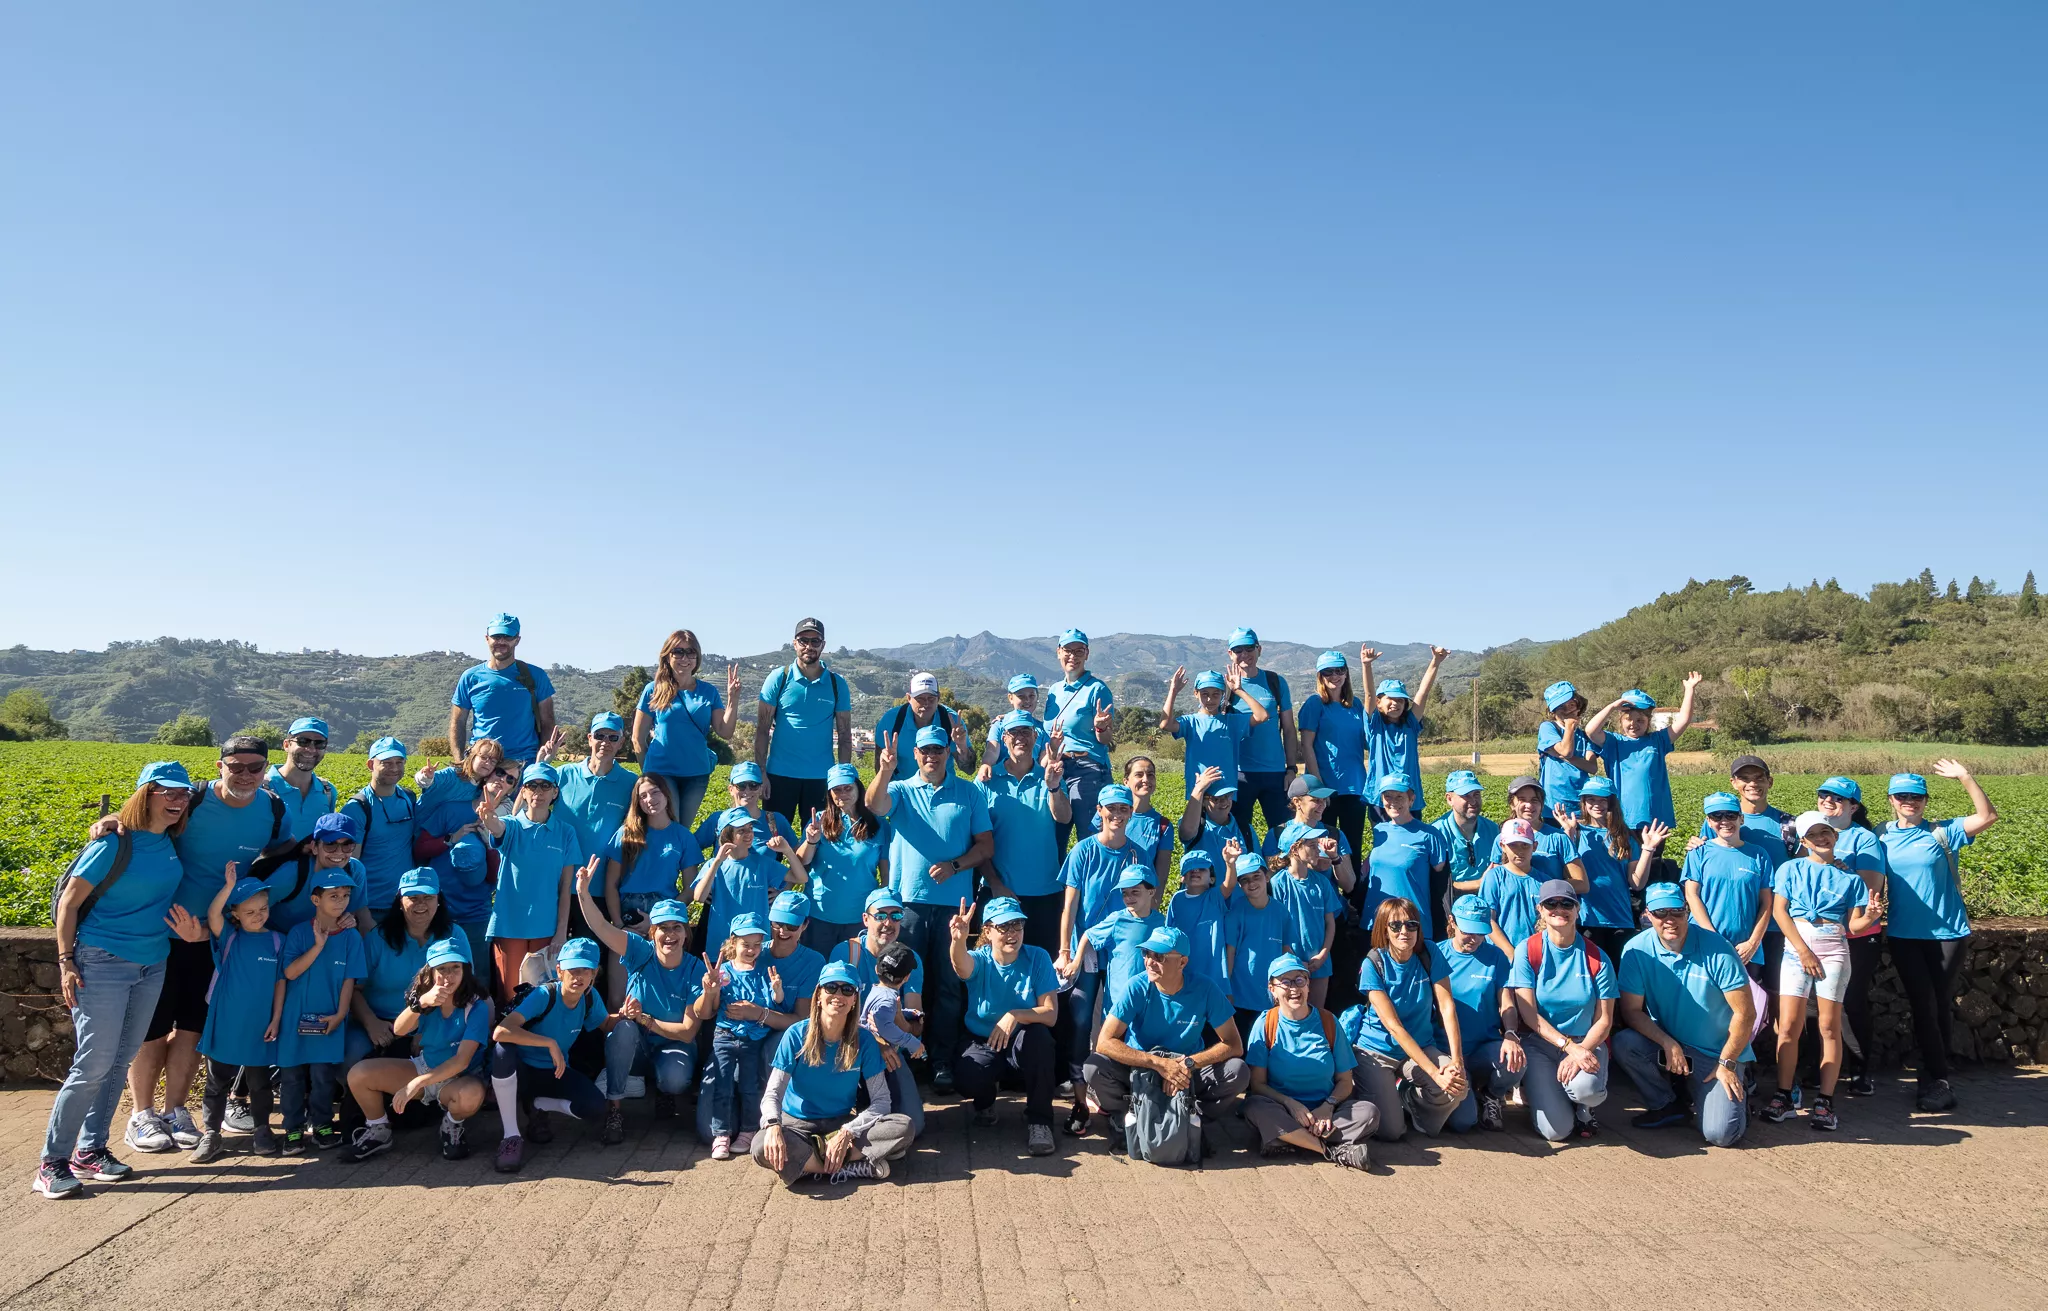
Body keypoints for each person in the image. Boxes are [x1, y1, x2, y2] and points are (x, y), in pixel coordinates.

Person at [84, 736, 287, 1155]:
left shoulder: (271, 808)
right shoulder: (191, 800)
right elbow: (144, 820)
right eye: (237, 766)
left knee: (193, 1029)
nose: (246, 775)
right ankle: (142, 1115)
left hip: (215, 942)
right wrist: (110, 823)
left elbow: (281, 852)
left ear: (267, 769)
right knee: (151, 1030)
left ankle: (176, 1110)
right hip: (162, 933)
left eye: (255, 767)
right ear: (219, 766)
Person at [38, 762, 197, 1198]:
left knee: (118, 1060)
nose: (178, 801)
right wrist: (66, 960)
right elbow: (69, 903)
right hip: (101, 960)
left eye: (183, 795)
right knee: (91, 1064)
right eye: (168, 793)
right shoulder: (113, 844)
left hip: (152, 962)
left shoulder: (169, 841)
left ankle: (90, 1150)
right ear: (146, 793)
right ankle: (52, 1162)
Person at [865, 723, 994, 1092]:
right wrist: (885, 769)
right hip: (907, 906)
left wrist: (955, 865)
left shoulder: (969, 793)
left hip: (955, 908)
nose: (932, 756)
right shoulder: (902, 789)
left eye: (938, 750)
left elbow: (985, 847)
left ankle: (940, 1060)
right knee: (898, 984)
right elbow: (875, 804)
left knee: (950, 987)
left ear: (948, 754)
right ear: (916, 755)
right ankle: (902, 1058)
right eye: (925, 751)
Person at [1879, 763, 1999, 1113]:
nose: (1909, 802)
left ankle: (1936, 1078)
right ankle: (1936, 1077)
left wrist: (1965, 777)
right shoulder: (1880, 835)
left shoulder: (1944, 832)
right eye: (1902, 796)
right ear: (1891, 800)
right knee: (1924, 1004)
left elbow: (1988, 816)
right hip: (1904, 934)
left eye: (1916, 796)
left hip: (1948, 932)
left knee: (1938, 1004)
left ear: (1926, 800)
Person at [1761, 813, 1885, 1130]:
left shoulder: (1852, 879)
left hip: (1833, 948)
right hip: (1796, 949)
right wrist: (1803, 951)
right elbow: (1779, 911)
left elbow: (1853, 924)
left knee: (1829, 1026)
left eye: (1825, 832)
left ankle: (1826, 1103)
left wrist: (1871, 915)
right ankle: (1784, 1096)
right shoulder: (1789, 869)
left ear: (1835, 836)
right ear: (1803, 841)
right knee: (1788, 1025)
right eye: (1813, 834)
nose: (1821, 838)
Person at [1083, 927, 1250, 1156]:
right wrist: (1157, 1064)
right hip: (1141, 1069)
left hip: (1188, 1070)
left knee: (1238, 1071)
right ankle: (1126, 1114)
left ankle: (1193, 1118)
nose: (1150, 962)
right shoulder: (1137, 986)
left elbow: (1234, 1044)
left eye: (1159, 956)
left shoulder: (1205, 988)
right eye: (1146, 954)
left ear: (1182, 962)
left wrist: (1188, 1065)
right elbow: (1104, 1041)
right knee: (1093, 1067)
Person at [1614, 883, 1754, 1147]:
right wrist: (1668, 1043)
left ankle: (1738, 1092)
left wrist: (1727, 1062)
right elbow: (1631, 1012)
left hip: (1717, 1053)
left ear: (1687, 911)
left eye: (1676, 912)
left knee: (1720, 1135)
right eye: (1660, 912)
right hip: (1670, 1043)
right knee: (1625, 1043)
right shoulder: (1636, 949)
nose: (1669, 920)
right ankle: (1667, 1105)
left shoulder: (1718, 948)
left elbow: (1745, 1014)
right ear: (1647, 915)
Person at [751, 962, 914, 1186]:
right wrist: (773, 1126)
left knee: (902, 1126)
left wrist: (847, 1132)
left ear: (855, 999)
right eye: (831, 987)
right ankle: (843, 1168)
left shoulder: (864, 1040)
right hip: (795, 1124)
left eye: (847, 990)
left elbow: (881, 1100)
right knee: (761, 1145)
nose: (839, 994)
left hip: (841, 1122)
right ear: (818, 994)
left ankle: (808, 1166)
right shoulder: (796, 1034)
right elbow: (772, 1094)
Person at [339, 933, 492, 1162]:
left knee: (470, 1095)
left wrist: (417, 1083)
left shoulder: (476, 1007)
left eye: (455, 968)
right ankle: (378, 1130)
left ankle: (451, 1125)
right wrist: (420, 1005)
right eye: (442, 969)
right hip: (424, 1066)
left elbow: (462, 1061)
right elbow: (399, 1030)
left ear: (465, 970)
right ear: (430, 972)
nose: (449, 976)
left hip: (460, 1077)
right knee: (359, 1074)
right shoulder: (424, 999)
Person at [581, 875, 710, 1136]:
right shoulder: (640, 951)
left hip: (674, 1045)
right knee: (624, 1028)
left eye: (677, 927)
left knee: (674, 1079)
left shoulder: (696, 969)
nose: (670, 934)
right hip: (637, 1045)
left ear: (686, 933)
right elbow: (600, 928)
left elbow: (687, 1032)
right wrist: (583, 891)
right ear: (653, 932)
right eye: (663, 927)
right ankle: (614, 1109)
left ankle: (663, 1090)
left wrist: (645, 1019)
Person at [1339, 898, 1465, 1140]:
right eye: (1395, 926)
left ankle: (1411, 1100)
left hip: (1419, 1046)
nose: (1404, 931)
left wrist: (1456, 1062)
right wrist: (1435, 1073)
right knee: (1391, 1132)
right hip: (1376, 1051)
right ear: (1383, 930)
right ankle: (1372, 1092)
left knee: (1457, 1087)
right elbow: (1394, 1027)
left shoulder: (1430, 952)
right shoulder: (1373, 963)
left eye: (1411, 924)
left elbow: (1447, 1006)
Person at [948, 896, 1061, 1154]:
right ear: (987, 931)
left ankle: (1040, 1121)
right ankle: (986, 1101)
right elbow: (961, 965)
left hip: (1023, 1040)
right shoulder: (981, 959)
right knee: (967, 1077)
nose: (1012, 933)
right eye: (1003, 927)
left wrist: (1015, 1015)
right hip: (982, 1040)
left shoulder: (1038, 957)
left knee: (1041, 1041)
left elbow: (1050, 1014)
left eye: (1017, 925)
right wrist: (958, 941)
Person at [1508, 880, 1617, 1142]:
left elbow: (1604, 1020)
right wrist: (1568, 1047)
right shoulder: (1528, 950)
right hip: (1541, 1044)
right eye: (1551, 904)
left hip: (1586, 1042)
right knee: (1556, 1132)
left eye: (1567, 903)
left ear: (1578, 909)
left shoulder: (1597, 957)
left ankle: (1584, 1108)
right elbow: (1529, 1015)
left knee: (1586, 1091)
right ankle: (1541, 1092)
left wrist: (1580, 1049)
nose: (1559, 909)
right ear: (1540, 910)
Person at [489, 937, 609, 1173]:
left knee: (595, 1107)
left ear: (594, 973)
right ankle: (511, 1136)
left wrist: (629, 1014)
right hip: (521, 1071)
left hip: (554, 1072)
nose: (578, 976)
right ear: (559, 970)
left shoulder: (590, 997)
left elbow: (607, 1025)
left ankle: (538, 1105)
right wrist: (548, 1043)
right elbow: (501, 1031)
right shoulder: (545, 995)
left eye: (585, 969)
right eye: (572, 969)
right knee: (502, 1049)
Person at [1244, 954, 1373, 1168]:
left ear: (1308, 986)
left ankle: (1288, 1140)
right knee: (1255, 1107)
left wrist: (1327, 1107)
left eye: (1300, 980)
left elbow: (1345, 1081)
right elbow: (1257, 1085)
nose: (1294, 988)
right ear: (1272, 989)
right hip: (1283, 1110)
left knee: (1368, 1112)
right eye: (1285, 982)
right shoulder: (1266, 1024)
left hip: (1326, 1114)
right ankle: (1330, 1150)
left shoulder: (1328, 1022)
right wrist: (1290, 1104)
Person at [190, 872, 284, 1162]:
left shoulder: (279, 941)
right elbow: (212, 913)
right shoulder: (229, 937)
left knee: (260, 1083)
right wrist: (229, 887)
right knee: (217, 1081)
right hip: (225, 1023)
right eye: (250, 912)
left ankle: (262, 1130)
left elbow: (281, 982)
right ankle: (211, 1133)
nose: (258, 916)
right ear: (236, 914)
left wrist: (276, 1018)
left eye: (263, 909)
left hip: (259, 1026)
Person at [476, 762, 583, 1008]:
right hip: (509, 926)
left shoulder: (566, 833)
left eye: (545, 786)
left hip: (546, 929)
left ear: (555, 792)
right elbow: (498, 828)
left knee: (541, 997)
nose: (538, 791)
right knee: (510, 997)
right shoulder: (512, 826)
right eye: (532, 785)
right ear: (523, 792)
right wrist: (490, 819)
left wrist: (560, 931)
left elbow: (565, 887)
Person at [277, 867, 368, 1153]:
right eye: (333, 896)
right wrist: (318, 946)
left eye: (345, 895)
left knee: (322, 1076)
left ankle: (323, 1124)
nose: (340, 901)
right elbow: (290, 973)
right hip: (293, 1020)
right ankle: (292, 1128)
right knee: (291, 1077)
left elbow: (349, 980)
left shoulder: (352, 938)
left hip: (329, 1018)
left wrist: (341, 1014)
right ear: (316, 900)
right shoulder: (299, 933)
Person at [344, 868, 448, 1102]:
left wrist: (427, 1030)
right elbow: (354, 990)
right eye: (413, 897)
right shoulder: (376, 938)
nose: (421, 904)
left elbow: (461, 991)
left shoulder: (453, 936)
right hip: (379, 1022)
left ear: (439, 900)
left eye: (428, 897)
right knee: (352, 1055)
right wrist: (371, 1023)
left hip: (431, 1023)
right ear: (399, 901)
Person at [1816, 776, 1887, 1096]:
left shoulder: (1865, 839)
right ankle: (1819, 1067)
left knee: (1852, 1001)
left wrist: (1842, 874)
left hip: (1859, 934)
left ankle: (1861, 1070)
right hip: (1822, 933)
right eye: (1824, 795)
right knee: (1816, 1005)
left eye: (1838, 798)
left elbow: (1872, 889)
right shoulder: (1812, 832)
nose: (1829, 801)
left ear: (1853, 807)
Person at [978, 713, 1071, 956]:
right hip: (1000, 894)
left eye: (1025, 732)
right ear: (1004, 738)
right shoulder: (986, 781)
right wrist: (995, 884)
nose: (1020, 738)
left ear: (1035, 737)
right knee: (998, 971)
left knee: (1044, 974)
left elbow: (1063, 817)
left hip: (1046, 893)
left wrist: (1053, 786)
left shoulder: (1051, 776)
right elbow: (976, 842)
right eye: (1014, 733)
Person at [633, 628, 742, 826]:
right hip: (662, 772)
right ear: (668, 656)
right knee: (668, 826)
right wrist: (648, 774)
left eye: (690, 652)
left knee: (683, 829)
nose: (685, 658)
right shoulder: (653, 689)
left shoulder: (708, 691)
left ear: (697, 657)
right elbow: (638, 739)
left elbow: (724, 731)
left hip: (696, 774)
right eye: (678, 652)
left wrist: (733, 699)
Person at [1435, 894, 1524, 1132]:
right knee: (1463, 1123)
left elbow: (1506, 1002)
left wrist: (1511, 1034)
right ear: (1452, 922)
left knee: (1515, 1061)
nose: (1474, 938)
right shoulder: (1435, 953)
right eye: (1468, 931)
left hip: (1483, 1046)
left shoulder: (1495, 957)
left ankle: (1491, 1094)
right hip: (1445, 1049)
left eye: (1480, 932)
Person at [755, 616, 854, 830]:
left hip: (821, 778)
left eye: (815, 641)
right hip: (778, 776)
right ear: (794, 643)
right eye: (803, 640)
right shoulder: (778, 678)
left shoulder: (838, 684)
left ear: (823, 645)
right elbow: (762, 729)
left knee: (818, 844)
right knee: (774, 840)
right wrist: (762, 772)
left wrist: (843, 778)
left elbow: (845, 735)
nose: (809, 646)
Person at [412, 739, 505, 963]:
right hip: (422, 832)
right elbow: (426, 781)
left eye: (493, 760)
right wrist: (425, 776)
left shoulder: (481, 790)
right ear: (471, 754)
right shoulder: (451, 776)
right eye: (484, 756)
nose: (487, 763)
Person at [700, 913, 780, 1158]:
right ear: (733, 942)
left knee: (749, 1086)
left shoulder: (764, 972)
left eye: (757, 944)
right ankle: (721, 1134)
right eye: (747, 944)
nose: (752, 950)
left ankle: (747, 1131)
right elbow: (711, 1007)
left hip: (752, 1038)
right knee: (722, 1085)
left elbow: (773, 1002)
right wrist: (711, 988)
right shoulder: (722, 971)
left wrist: (777, 991)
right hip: (725, 1036)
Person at [1561, 777, 1666, 961]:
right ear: (1584, 803)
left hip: (1619, 918)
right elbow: (1566, 873)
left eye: (1602, 799)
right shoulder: (1576, 832)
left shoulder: (1624, 837)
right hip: (1586, 919)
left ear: (1611, 802)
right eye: (1591, 799)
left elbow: (1637, 883)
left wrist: (1648, 849)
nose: (1597, 804)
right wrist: (1568, 837)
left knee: (1618, 976)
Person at [1584, 677, 1702, 834]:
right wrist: (1612, 706)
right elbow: (1591, 730)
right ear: (1621, 721)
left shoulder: (1658, 741)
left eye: (1640, 720)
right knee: (1627, 858)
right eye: (1628, 719)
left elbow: (1684, 720)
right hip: (1623, 818)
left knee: (1654, 858)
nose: (1634, 724)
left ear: (1648, 721)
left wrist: (1689, 689)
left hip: (1655, 818)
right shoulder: (1614, 742)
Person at [1681, 792, 1777, 976]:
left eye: (1731, 815)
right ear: (1709, 822)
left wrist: (1753, 943)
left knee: (1748, 1002)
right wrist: (1713, 938)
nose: (1724, 821)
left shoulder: (1759, 854)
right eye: (1717, 816)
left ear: (1741, 818)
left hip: (1745, 950)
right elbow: (1691, 895)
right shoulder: (1698, 853)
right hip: (1705, 944)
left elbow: (1766, 903)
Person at [796, 763, 889, 954]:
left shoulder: (878, 826)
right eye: (836, 790)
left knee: (854, 977)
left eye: (848, 788)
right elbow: (801, 863)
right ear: (829, 793)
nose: (843, 794)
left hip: (859, 917)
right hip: (819, 915)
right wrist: (811, 841)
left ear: (858, 788)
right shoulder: (819, 821)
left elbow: (886, 875)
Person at [690, 807, 806, 959]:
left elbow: (801, 878)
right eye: (742, 830)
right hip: (722, 942)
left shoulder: (763, 863)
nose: (749, 834)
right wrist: (717, 862)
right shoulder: (715, 864)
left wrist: (788, 851)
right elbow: (698, 896)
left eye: (750, 828)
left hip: (757, 944)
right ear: (727, 835)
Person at [1041, 628, 1116, 852]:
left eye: (1079, 650)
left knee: (1090, 840)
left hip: (1088, 771)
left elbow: (1105, 739)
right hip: (1057, 769)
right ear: (1058, 652)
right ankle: (1060, 888)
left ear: (1087, 654)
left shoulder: (1097, 689)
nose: (1072, 655)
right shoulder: (1054, 691)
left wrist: (1102, 726)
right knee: (1054, 841)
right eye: (1068, 650)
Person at [450, 614, 556, 768]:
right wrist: (460, 762)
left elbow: (548, 721)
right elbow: (457, 722)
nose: (501, 641)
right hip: (482, 764)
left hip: (524, 763)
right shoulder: (470, 677)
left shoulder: (536, 676)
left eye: (507, 636)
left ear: (517, 640)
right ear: (487, 638)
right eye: (496, 636)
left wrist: (539, 765)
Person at [1224, 628, 1300, 840]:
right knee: (1238, 836)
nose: (1244, 654)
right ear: (1230, 654)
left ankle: (1282, 873)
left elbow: (1289, 729)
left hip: (1275, 774)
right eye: (1238, 650)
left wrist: (1291, 768)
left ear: (1259, 649)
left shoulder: (1275, 682)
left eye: (1249, 648)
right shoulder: (1223, 687)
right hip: (1238, 774)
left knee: (1284, 836)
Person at [1268, 822, 1351, 1009]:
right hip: (1288, 963)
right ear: (1295, 849)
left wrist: (1323, 954)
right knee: (1291, 1011)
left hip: (1320, 963)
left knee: (1317, 1012)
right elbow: (1276, 926)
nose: (1317, 850)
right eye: (1312, 846)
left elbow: (1330, 923)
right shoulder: (1277, 884)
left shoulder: (1322, 883)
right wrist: (1293, 958)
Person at [600, 772, 693, 936]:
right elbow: (611, 885)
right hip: (629, 915)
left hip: (665, 915)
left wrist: (662, 917)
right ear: (638, 802)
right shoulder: (626, 834)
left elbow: (690, 889)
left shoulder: (683, 836)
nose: (650, 799)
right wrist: (620, 925)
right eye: (643, 796)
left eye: (655, 791)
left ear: (666, 793)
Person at [1296, 650, 1369, 857]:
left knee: (1352, 846)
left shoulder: (1355, 705)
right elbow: (1307, 746)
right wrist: (1319, 788)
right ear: (1320, 676)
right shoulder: (1314, 704)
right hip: (1324, 789)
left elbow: (1366, 741)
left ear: (1346, 673)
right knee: (1321, 848)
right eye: (1328, 672)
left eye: (1339, 670)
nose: (1334, 676)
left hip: (1354, 787)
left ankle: (1353, 890)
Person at [547, 713, 638, 879]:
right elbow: (528, 804)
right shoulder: (563, 774)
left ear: (621, 743)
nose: (605, 742)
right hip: (556, 878)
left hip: (602, 883)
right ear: (590, 738)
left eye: (613, 737)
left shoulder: (631, 782)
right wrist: (543, 763)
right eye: (599, 736)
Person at [1360, 645, 1447, 815]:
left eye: (1400, 700)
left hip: (1409, 796)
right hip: (1380, 797)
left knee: (1412, 840)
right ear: (1379, 703)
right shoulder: (1375, 725)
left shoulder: (1410, 725)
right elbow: (1369, 694)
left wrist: (1436, 661)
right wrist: (1367, 665)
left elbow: (1423, 692)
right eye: (1390, 699)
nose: (1396, 703)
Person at [252, 810, 370, 933]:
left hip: (321, 940)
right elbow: (251, 910)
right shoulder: (292, 874)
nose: (339, 852)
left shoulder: (355, 870)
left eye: (347, 845)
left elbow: (357, 911)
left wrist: (348, 917)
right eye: (330, 844)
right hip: (281, 941)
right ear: (314, 847)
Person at [1160, 665, 1267, 800]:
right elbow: (1165, 724)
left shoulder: (1232, 722)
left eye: (1216, 694)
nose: (1210, 699)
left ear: (1223, 694)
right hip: (1199, 792)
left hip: (1226, 793)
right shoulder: (1190, 722)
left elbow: (1262, 716)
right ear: (1196, 694)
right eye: (1205, 694)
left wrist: (1239, 690)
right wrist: (1173, 691)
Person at [1366, 773, 1452, 938]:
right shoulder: (1379, 831)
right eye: (1388, 796)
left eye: (1399, 796)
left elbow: (1441, 880)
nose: (1393, 802)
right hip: (1377, 919)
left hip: (1411, 922)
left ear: (1411, 799)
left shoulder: (1430, 835)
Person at [345, 737, 418, 921]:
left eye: (399, 762)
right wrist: (360, 912)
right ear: (371, 764)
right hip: (371, 907)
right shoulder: (357, 808)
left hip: (405, 903)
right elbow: (350, 864)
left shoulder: (409, 798)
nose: (394, 768)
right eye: (386, 762)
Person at [1223, 852, 1295, 1038]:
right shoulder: (1236, 912)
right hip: (1240, 996)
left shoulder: (1281, 912)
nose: (1252, 883)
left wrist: (1291, 985)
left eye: (1256, 877)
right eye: (1245, 880)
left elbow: (1287, 952)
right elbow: (1229, 953)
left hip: (1272, 997)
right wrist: (1227, 991)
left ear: (1267, 876)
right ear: (1239, 885)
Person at [1084, 868, 1166, 1006]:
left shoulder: (1161, 922)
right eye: (1124, 893)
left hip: (1150, 995)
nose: (1128, 898)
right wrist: (1075, 963)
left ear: (1151, 892)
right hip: (1118, 996)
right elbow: (1089, 935)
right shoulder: (1117, 919)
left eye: (1135, 892)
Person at [874, 670, 976, 780]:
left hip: (943, 791)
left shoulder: (952, 721)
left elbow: (969, 769)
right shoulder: (890, 721)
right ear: (909, 698)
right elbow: (879, 767)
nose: (926, 703)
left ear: (939, 698)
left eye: (931, 698)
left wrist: (962, 747)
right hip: (902, 791)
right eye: (920, 698)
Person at [1696, 754, 1796, 863]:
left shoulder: (1788, 823)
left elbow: (1802, 866)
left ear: (1770, 782)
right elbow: (1705, 857)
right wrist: (1696, 845)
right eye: (1744, 778)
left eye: (1759, 778)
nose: (1752, 784)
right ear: (1733, 783)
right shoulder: (1719, 821)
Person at [691, 761, 800, 859]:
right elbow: (689, 851)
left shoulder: (775, 821)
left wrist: (785, 881)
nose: (747, 791)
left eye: (753, 785)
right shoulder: (718, 819)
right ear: (731, 789)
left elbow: (800, 858)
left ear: (761, 789)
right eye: (741, 786)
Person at [1165, 851, 1234, 991]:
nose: (1195, 871)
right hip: (1182, 971)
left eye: (1202, 869)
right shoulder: (1177, 899)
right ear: (1182, 878)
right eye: (1190, 869)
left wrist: (1230, 863)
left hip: (1213, 973)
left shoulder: (1215, 897)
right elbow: (1168, 932)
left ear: (1212, 879)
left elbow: (1230, 885)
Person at [1477, 819, 1548, 952]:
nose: (1519, 850)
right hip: (1500, 954)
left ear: (1535, 846)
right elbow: (1487, 919)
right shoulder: (1494, 877)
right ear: (1502, 846)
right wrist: (1510, 952)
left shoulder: (1545, 882)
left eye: (1525, 845)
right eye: (1513, 845)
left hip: (1536, 953)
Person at [269, 716, 339, 840]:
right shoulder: (262, 788)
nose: (311, 749)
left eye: (319, 743)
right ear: (286, 745)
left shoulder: (327, 792)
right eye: (303, 741)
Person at [1536, 681, 1600, 816]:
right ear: (1553, 712)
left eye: (1571, 705)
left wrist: (1561, 756)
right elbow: (1566, 750)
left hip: (1580, 803)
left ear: (1579, 705)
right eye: (1561, 707)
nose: (1567, 710)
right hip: (1553, 805)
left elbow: (1592, 767)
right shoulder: (1548, 728)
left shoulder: (1584, 736)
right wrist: (1570, 725)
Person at [1435, 771, 1501, 902]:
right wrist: (1478, 883)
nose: (1473, 801)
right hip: (1450, 906)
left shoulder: (1493, 830)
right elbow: (1436, 885)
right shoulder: (1437, 834)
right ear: (1449, 799)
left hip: (1488, 903)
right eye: (1466, 796)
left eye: (1476, 794)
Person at [976, 674, 1049, 782]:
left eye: (1031, 696)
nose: (1027, 700)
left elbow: (1044, 758)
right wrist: (986, 764)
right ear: (1010, 698)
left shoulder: (1043, 729)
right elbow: (992, 750)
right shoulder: (999, 726)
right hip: (1003, 783)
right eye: (1021, 696)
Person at [1177, 767, 1249, 873]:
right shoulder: (1197, 826)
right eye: (1216, 798)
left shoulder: (1245, 829)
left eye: (1227, 796)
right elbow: (1187, 831)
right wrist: (1199, 789)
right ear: (1203, 801)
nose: (1224, 802)